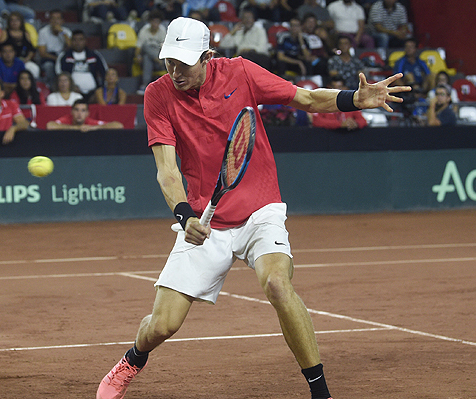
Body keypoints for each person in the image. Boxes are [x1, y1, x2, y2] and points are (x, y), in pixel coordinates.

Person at [95, 16, 410, 399]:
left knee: (277, 283)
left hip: (261, 208)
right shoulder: (157, 95)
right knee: (162, 325)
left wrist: (353, 99)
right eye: (169, 61)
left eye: (184, 62)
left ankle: (320, 392)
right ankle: (132, 359)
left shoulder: (241, 72)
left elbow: (305, 98)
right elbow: (166, 170)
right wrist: (184, 214)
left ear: (208, 56)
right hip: (206, 221)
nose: (175, 71)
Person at [55, 30, 108, 101]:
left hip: (94, 93)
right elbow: (59, 74)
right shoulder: (64, 56)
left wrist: (99, 90)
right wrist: (72, 87)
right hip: (72, 93)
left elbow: (105, 73)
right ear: (71, 41)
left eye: (80, 40)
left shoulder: (94, 55)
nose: (77, 43)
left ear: (85, 41)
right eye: (74, 40)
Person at [0, 11, 39, 79]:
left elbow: (31, 49)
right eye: (12, 20)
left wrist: (27, 59)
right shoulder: (5, 33)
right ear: (9, 22)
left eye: (17, 20)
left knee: (34, 69)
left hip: (24, 61)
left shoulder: (26, 34)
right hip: (8, 63)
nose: (14, 22)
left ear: (21, 22)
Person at [135, 10, 167, 94]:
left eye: (157, 22)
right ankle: (146, 84)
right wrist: (137, 57)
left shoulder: (162, 31)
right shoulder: (144, 31)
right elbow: (138, 48)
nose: (155, 24)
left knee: (147, 55)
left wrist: (160, 59)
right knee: (146, 53)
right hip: (152, 61)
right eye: (153, 21)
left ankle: (145, 85)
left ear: (160, 22)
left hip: (161, 61)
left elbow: (165, 49)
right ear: (150, 22)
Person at [36, 9, 71, 86]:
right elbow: (42, 53)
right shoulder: (43, 32)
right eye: (53, 18)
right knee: (49, 66)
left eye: (58, 18)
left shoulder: (66, 32)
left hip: (63, 56)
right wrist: (57, 59)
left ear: (62, 21)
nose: (55, 21)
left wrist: (62, 33)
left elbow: (71, 47)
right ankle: (52, 87)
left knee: (70, 64)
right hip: (49, 57)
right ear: (49, 20)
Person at [46, 99, 123, 130]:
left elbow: (119, 125)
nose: (79, 114)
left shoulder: (90, 122)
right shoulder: (66, 119)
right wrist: (76, 128)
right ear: (71, 112)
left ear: (87, 114)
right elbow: (50, 125)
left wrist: (93, 128)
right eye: (76, 110)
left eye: (83, 111)